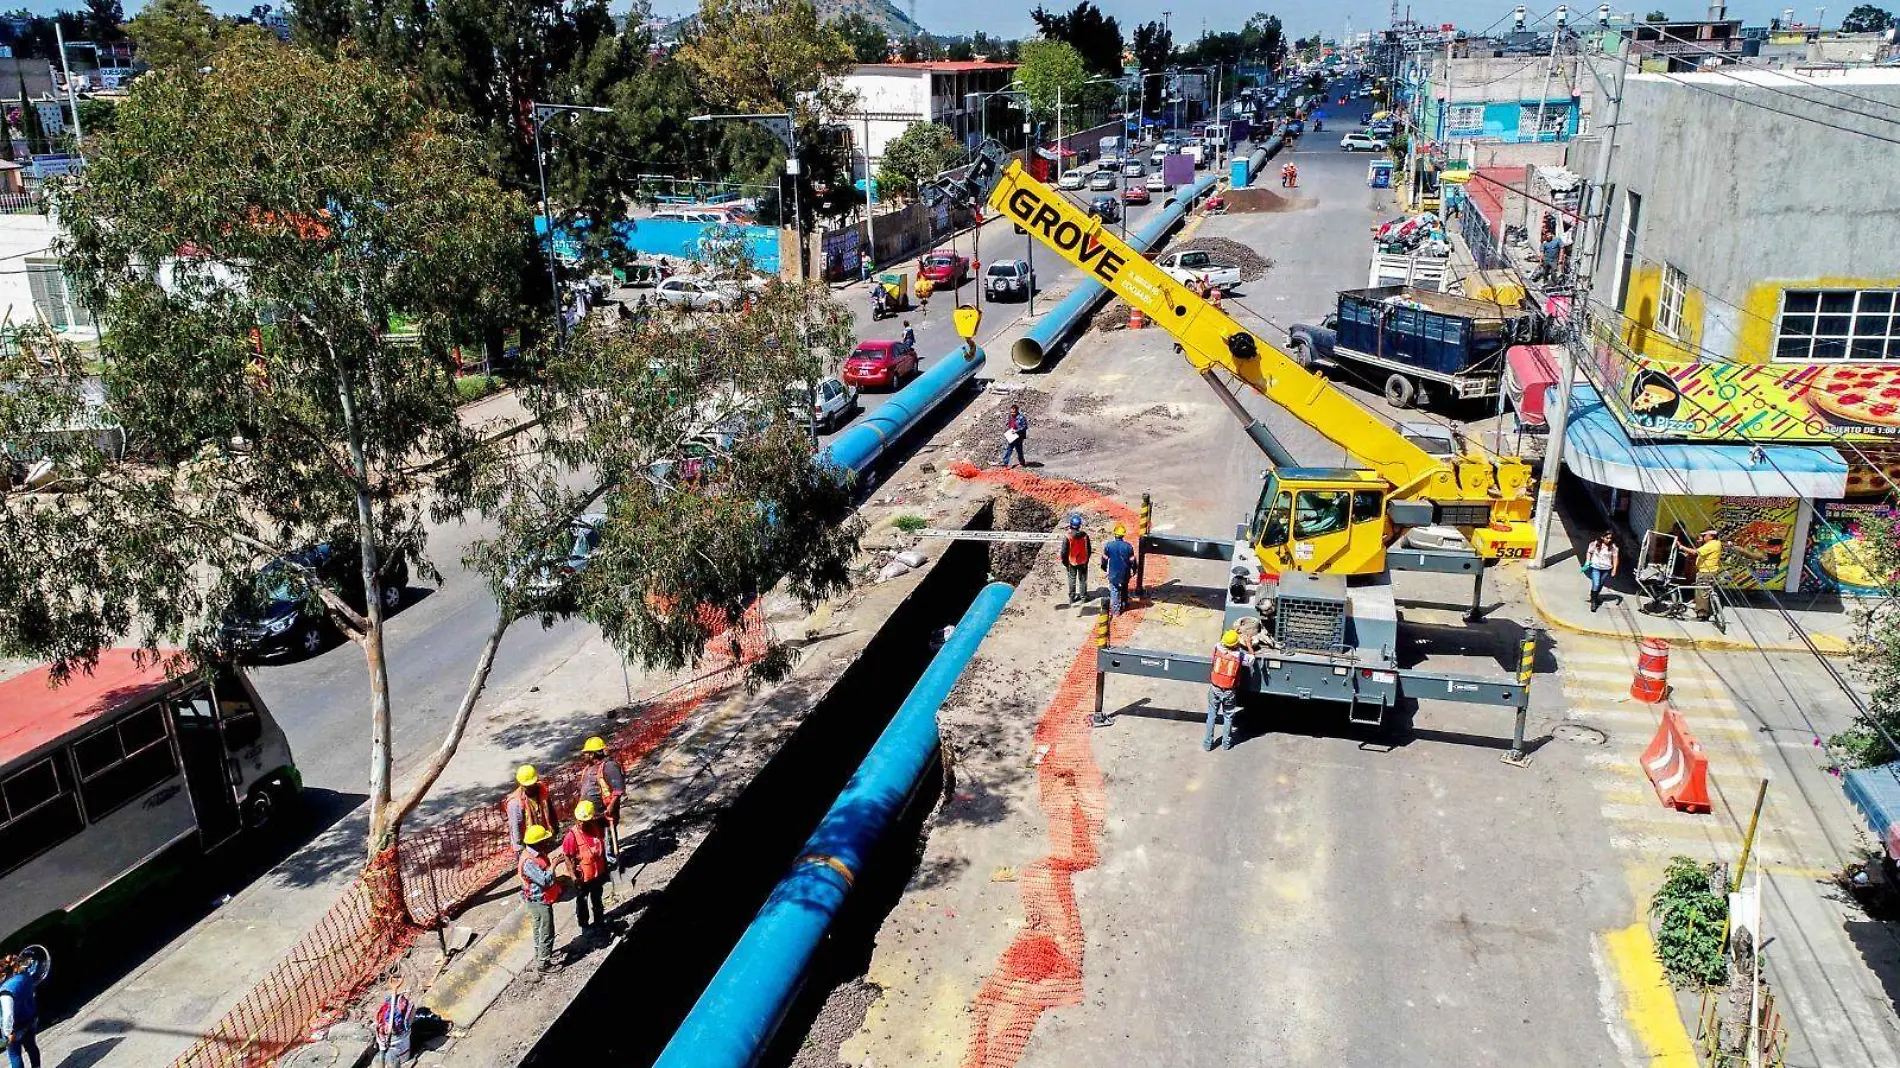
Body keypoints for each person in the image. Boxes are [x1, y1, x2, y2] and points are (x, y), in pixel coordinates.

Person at [562, 800, 618, 932]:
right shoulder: (572, 836)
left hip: (598, 873)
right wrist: (574, 877)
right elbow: (568, 859)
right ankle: (584, 926)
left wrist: (610, 816)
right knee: (582, 900)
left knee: (597, 897)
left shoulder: (596, 825)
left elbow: (609, 819)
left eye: (584, 820)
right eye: (580, 820)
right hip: (583, 877)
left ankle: (599, 919)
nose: (581, 823)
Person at [519, 824, 567, 973]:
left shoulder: (535, 854)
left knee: (539, 929)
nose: (547, 842)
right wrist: (553, 865)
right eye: (544, 840)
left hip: (538, 898)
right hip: (538, 900)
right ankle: (543, 964)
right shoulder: (529, 862)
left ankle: (541, 954)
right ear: (537, 842)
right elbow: (544, 880)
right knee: (546, 930)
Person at [1204, 628, 1254, 751]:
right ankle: (1226, 744)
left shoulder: (1217, 649)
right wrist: (1248, 644)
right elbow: (1251, 659)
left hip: (1215, 688)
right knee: (1228, 717)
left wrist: (1232, 633)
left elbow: (1223, 642)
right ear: (1236, 644)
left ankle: (1207, 744)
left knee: (1211, 716)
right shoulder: (1240, 656)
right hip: (1229, 691)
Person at [1, 951, 46, 1068]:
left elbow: (8, 1014)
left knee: (15, 1055)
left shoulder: (6, 991)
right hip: (31, 1018)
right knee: (32, 1047)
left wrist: (7, 1032)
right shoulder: (25, 976)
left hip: (16, 1027)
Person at [579, 736, 625, 826]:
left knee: (608, 838)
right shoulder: (588, 769)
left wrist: (611, 807)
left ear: (592, 755)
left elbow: (618, 790)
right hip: (589, 814)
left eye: (585, 753)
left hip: (604, 813)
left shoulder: (609, 766)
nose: (583, 755)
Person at [504, 765, 552, 852]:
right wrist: (520, 849)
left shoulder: (542, 791)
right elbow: (516, 827)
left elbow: (550, 809)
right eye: (527, 785)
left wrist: (555, 828)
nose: (531, 787)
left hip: (542, 838)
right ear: (520, 784)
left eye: (532, 784)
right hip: (528, 845)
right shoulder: (515, 803)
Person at [371, 973, 415, 1067]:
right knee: (383, 1053)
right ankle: (383, 1059)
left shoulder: (400, 1015)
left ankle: (391, 1060)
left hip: (398, 1039)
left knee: (393, 1056)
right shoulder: (384, 1026)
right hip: (392, 1041)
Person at [1688, 528, 1724, 620]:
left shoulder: (1710, 545)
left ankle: (1702, 614)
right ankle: (1709, 611)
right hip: (1713, 571)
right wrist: (1701, 542)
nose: (1703, 537)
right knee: (1708, 592)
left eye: (1705, 535)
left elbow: (1694, 552)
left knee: (1702, 593)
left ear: (1711, 536)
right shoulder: (1717, 543)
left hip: (1705, 572)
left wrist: (1681, 546)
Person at [1101, 523, 1135, 616]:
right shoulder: (1128, 546)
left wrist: (1104, 567)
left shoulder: (1109, 546)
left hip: (1113, 573)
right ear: (1123, 535)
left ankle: (1116, 611)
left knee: (1115, 590)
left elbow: (1104, 559)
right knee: (1124, 587)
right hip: (1125, 572)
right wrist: (1134, 570)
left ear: (1114, 534)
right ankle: (1124, 604)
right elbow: (1132, 561)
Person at [1584, 531, 1619, 613]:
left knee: (1600, 584)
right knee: (1596, 583)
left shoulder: (1613, 547)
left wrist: (1614, 569)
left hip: (1606, 569)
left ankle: (1594, 596)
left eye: (1610, 538)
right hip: (1596, 567)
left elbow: (1615, 558)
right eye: (1607, 538)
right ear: (1602, 537)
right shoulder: (1595, 544)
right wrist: (1587, 561)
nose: (1609, 540)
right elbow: (1589, 552)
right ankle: (1593, 602)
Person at [1061, 512, 1092, 605]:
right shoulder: (1085, 535)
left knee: (1072, 579)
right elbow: (1089, 549)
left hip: (1072, 561)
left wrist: (1065, 563)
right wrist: (1087, 559)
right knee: (1082, 580)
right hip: (1083, 561)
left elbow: (1064, 552)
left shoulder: (1068, 536)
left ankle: (1072, 597)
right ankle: (1083, 598)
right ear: (1079, 525)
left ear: (1071, 525)